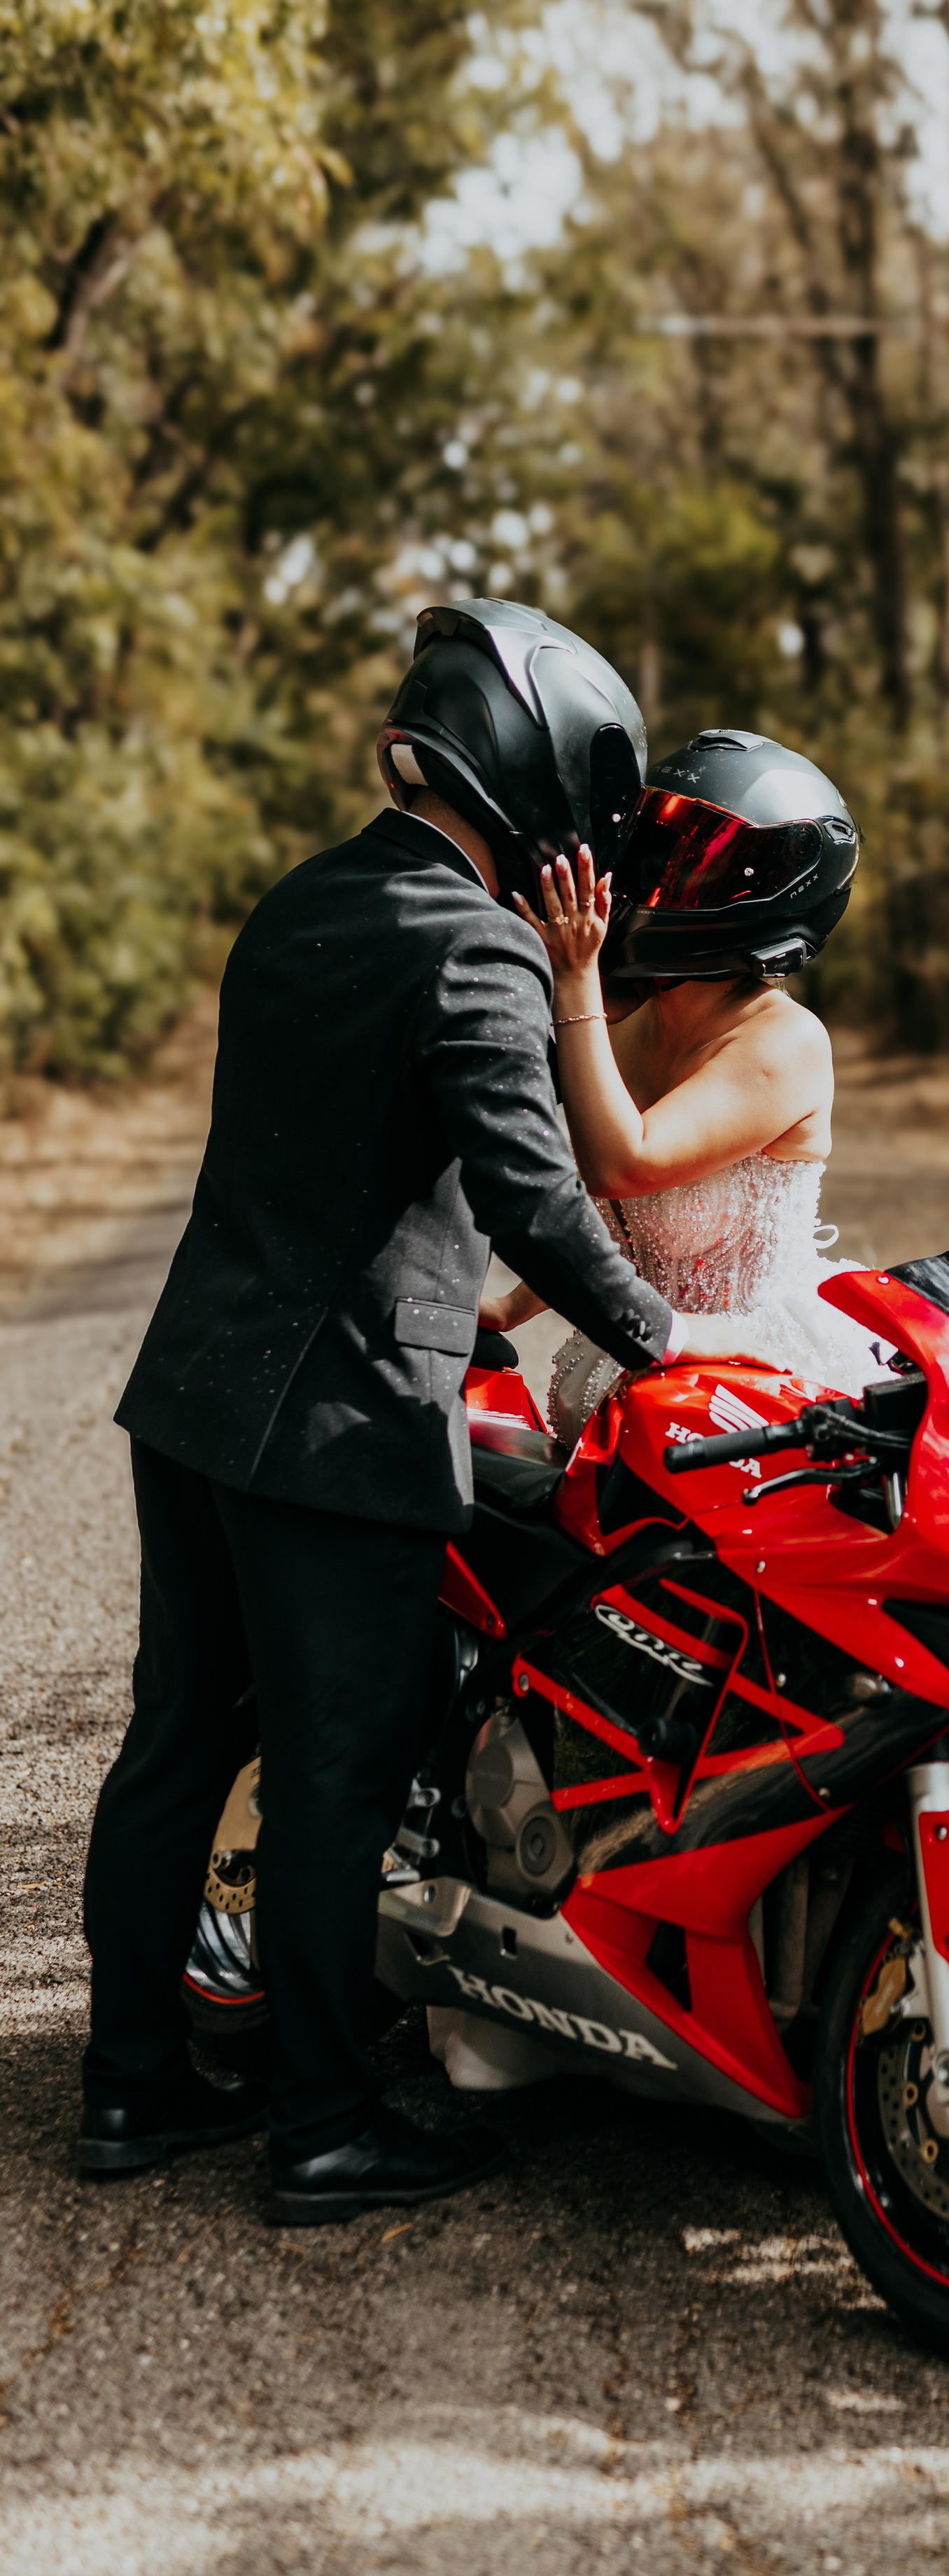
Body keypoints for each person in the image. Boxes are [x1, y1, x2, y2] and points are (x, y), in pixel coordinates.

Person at [79, 598, 684, 2225]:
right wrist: (662, 1344)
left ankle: (129, 2083)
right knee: (335, 1768)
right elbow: (535, 1196)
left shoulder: (296, 905)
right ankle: (325, 2122)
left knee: (174, 1744)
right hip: (341, 1428)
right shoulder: (471, 941)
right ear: (537, 778)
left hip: (196, 1396)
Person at [480, 727, 883, 1430]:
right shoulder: (634, 1022)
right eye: (657, 851)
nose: (655, 879)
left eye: (694, 863)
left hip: (752, 1378)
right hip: (636, 1363)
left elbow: (620, 1165)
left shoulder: (782, 1043)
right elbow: (600, 1216)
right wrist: (514, 1306)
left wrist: (576, 980)